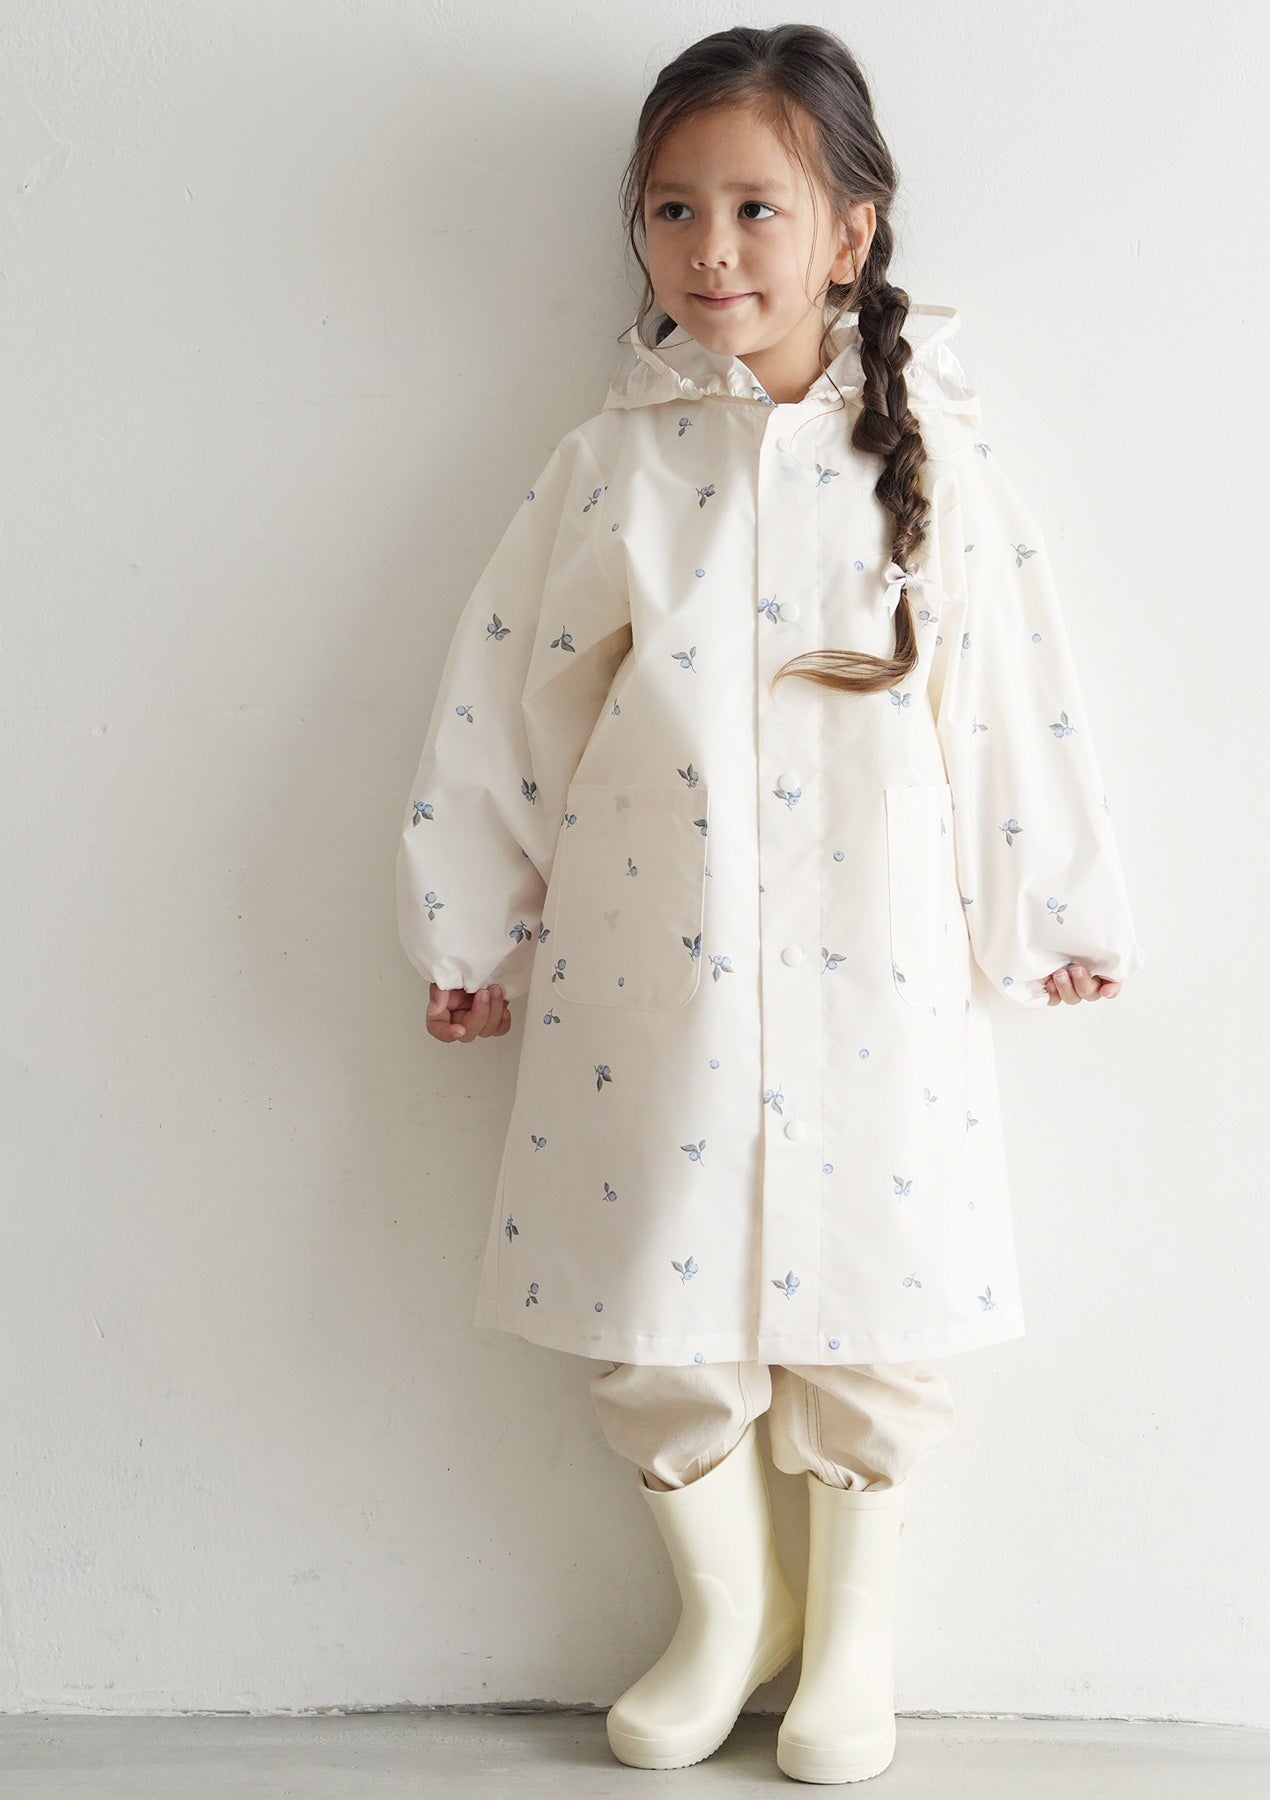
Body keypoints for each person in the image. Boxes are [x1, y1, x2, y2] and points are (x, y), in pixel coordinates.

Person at [394, 22, 1145, 1786]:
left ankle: (850, 1633)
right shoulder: (615, 463)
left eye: (756, 207)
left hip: (877, 951)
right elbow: (508, 697)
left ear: (850, 231)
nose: (711, 249)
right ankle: (731, 1613)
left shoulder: (936, 460)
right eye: (673, 208)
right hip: (654, 951)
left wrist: (1049, 910)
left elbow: (1009, 695)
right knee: (648, 1273)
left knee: (877, 1276)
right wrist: (472, 924)